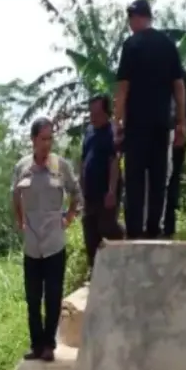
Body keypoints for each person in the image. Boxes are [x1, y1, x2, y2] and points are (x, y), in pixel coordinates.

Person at [113, 0, 186, 240]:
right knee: (157, 181)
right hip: (160, 126)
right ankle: (154, 230)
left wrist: (118, 123)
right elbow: (179, 87)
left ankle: (135, 233)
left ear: (136, 18)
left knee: (135, 181)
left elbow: (123, 88)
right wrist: (181, 123)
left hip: (137, 127)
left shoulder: (131, 44)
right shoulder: (168, 45)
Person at [10, 118, 82, 363]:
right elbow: (15, 195)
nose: (47, 144)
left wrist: (69, 217)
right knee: (32, 299)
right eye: (43, 139)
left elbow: (76, 193)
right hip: (31, 244)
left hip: (54, 242)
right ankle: (36, 345)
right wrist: (20, 221)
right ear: (33, 140)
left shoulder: (60, 165)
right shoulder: (22, 167)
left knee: (52, 297)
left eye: (50, 138)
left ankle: (49, 345)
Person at [80, 93, 124, 274]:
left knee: (106, 226)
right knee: (89, 230)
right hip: (89, 191)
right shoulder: (90, 130)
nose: (92, 116)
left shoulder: (112, 131)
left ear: (106, 113)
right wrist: (80, 187)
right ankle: (95, 270)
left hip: (106, 189)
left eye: (96, 113)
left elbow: (114, 161)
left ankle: (124, 241)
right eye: (91, 113)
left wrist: (111, 191)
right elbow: (83, 160)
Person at [163, 68, 186, 239]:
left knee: (171, 183)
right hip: (163, 135)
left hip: (174, 135)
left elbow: (184, 108)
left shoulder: (180, 76)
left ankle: (167, 228)